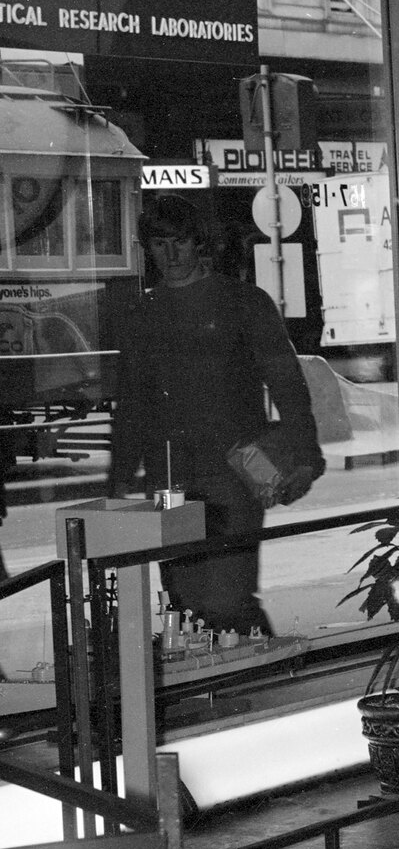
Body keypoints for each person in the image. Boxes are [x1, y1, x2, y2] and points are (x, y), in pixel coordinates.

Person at [105, 191, 321, 634]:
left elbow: (287, 385)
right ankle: (241, 672)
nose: (171, 255)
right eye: (160, 244)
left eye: (180, 242)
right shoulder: (142, 314)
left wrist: (305, 457)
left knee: (229, 598)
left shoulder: (243, 302)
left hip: (238, 471)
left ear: (199, 242)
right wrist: (120, 476)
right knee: (184, 605)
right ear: (148, 249)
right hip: (170, 476)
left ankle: (257, 671)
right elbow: (132, 404)